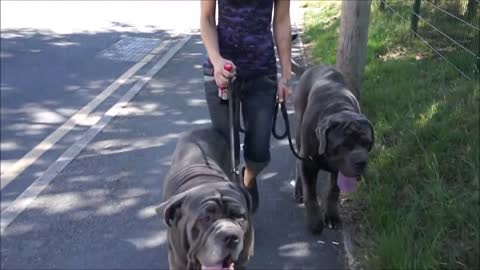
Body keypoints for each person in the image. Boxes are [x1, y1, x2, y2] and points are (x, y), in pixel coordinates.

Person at [200, 0, 292, 213]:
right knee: (223, 149)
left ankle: (248, 178)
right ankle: (227, 205)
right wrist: (216, 61)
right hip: (220, 71)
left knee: (259, 152)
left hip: (262, 72)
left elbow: (282, 20)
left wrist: (286, 76)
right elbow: (206, 18)